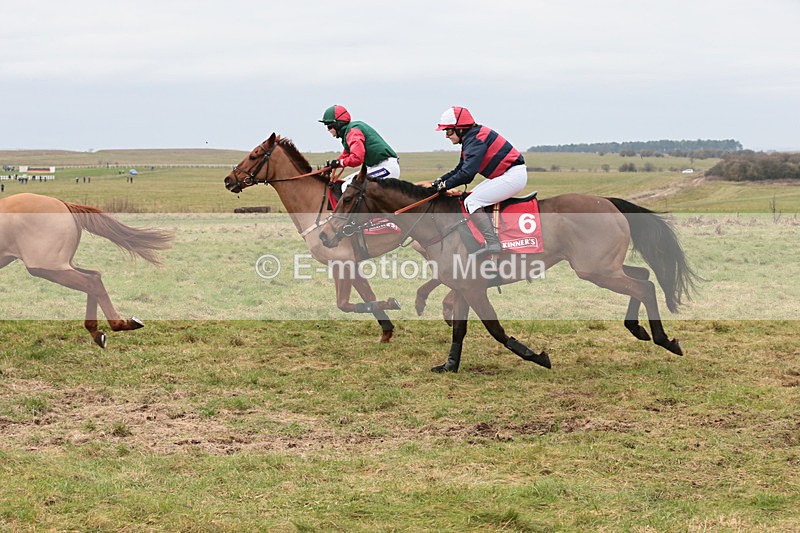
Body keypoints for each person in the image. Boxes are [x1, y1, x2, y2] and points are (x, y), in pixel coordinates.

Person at [432, 106, 527, 258]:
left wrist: (446, 185)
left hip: (513, 176)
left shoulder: (475, 140)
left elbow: (467, 174)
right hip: (506, 175)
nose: (446, 136)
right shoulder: (471, 139)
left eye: (448, 131)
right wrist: (440, 181)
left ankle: (493, 243)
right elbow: (460, 168)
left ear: (460, 128)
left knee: (473, 201)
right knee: (469, 197)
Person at [319, 105, 400, 191]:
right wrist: (333, 165)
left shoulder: (353, 132)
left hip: (387, 168)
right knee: (342, 182)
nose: (328, 130)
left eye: (329, 126)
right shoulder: (348, 133)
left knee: (346, 187)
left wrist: (340, 163)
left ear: (337, 124)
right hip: (376, 167)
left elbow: (357, 158)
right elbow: (346, 155)